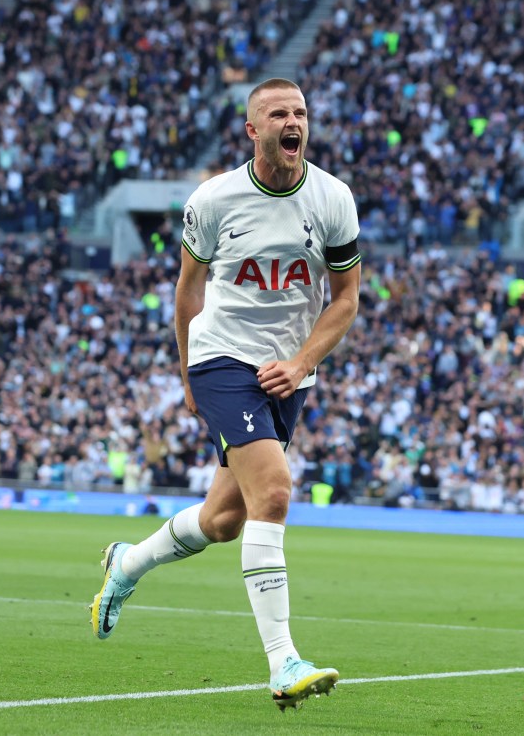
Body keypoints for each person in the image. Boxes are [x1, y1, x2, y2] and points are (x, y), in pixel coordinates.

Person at [89, 78, 361, 710]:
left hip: (288, 370)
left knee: (224, 520)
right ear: (253, 130)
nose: (293, 121)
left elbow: (346, 299)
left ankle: (126, 564)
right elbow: (188, 289)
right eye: (277, 113)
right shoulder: (214, 199)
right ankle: (282, 662)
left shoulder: (333, 199)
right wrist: (189, 371)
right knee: (274, 491)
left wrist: (300, 362)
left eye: (300, 112)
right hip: (221, 359)